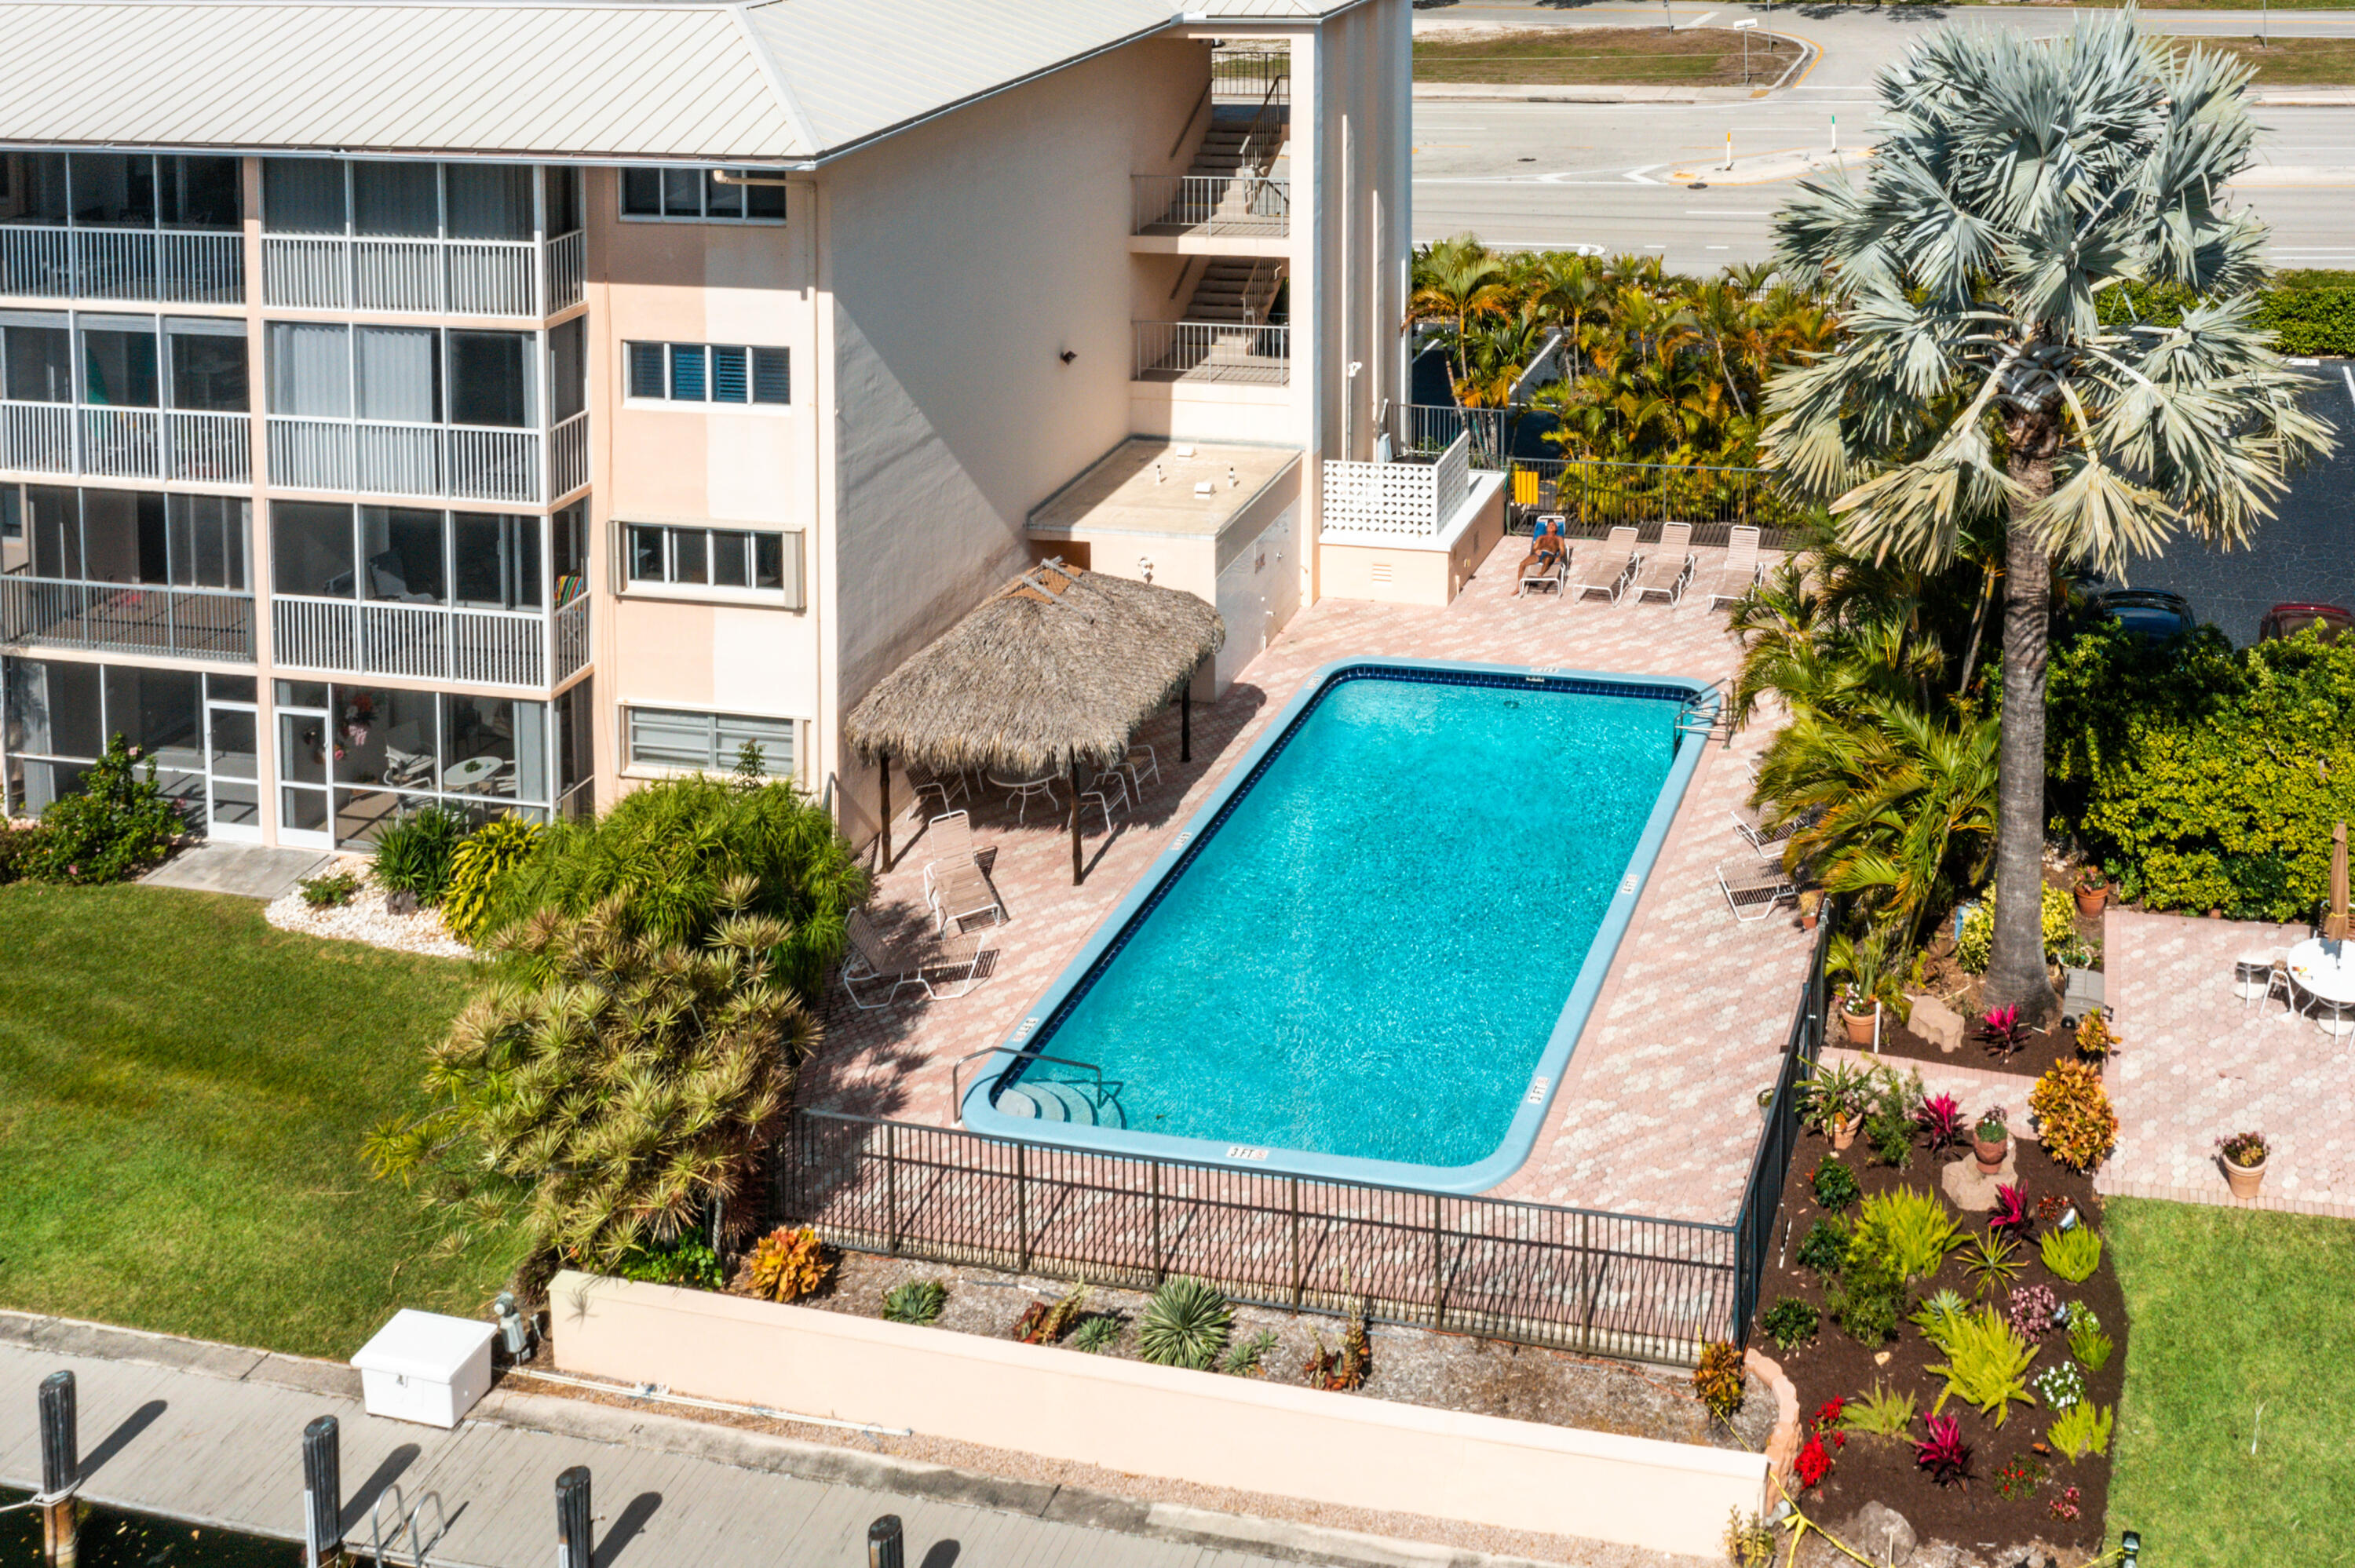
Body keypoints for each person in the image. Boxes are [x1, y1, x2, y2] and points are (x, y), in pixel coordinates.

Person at [1517, 513, 1568, 593]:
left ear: (1556, 528)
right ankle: (1518, 587)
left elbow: (1563, 551)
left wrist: (1559, 557)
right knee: (1522, 564)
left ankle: (1541, 573)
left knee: (1547, 559)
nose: (1551, 526)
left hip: (1550, 554)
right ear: (1546, 528)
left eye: (1553, 525)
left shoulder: (1559, 539)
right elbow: (1534, 548)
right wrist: (1536, 551)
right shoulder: (1541, 537)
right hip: (1539, 554)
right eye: (1549, 525)